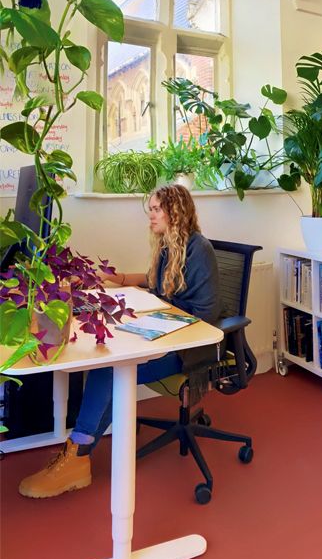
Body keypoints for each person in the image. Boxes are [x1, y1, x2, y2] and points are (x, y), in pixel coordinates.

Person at [19, 184, 222, 498]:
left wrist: (156, 319)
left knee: (108, 368)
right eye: (150, 211)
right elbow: (158, 284)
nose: (151, 217)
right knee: (105, 354)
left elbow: (204, 315)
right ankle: (75, 451)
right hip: (164, 334)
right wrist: (122, 281)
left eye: (156, 210)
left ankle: (77, 457)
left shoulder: (199, 249)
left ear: (176, 212)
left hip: (186, 348)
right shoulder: (171, 246)